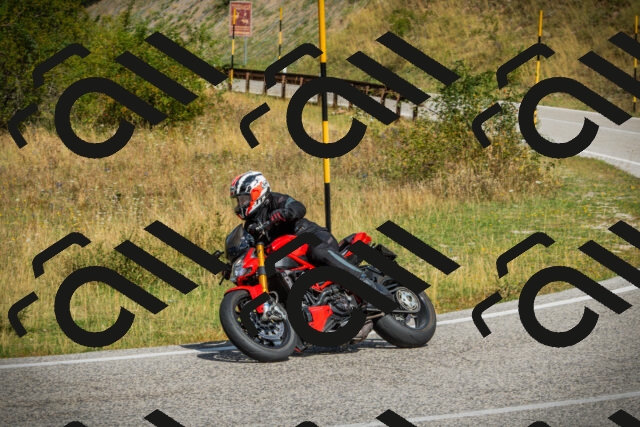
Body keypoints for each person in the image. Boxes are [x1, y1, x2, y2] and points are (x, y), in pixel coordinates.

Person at [229, 171, 393, 302]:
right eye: (238, 201)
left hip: (311, 236)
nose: (240, 205)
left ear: (257, 192)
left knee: (318, 251)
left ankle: (364, 282)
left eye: (243, 199)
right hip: (289, 256)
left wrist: (284, 213)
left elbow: (298, 207)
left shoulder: (276, 200)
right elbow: (248, 246)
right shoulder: (250, 225)